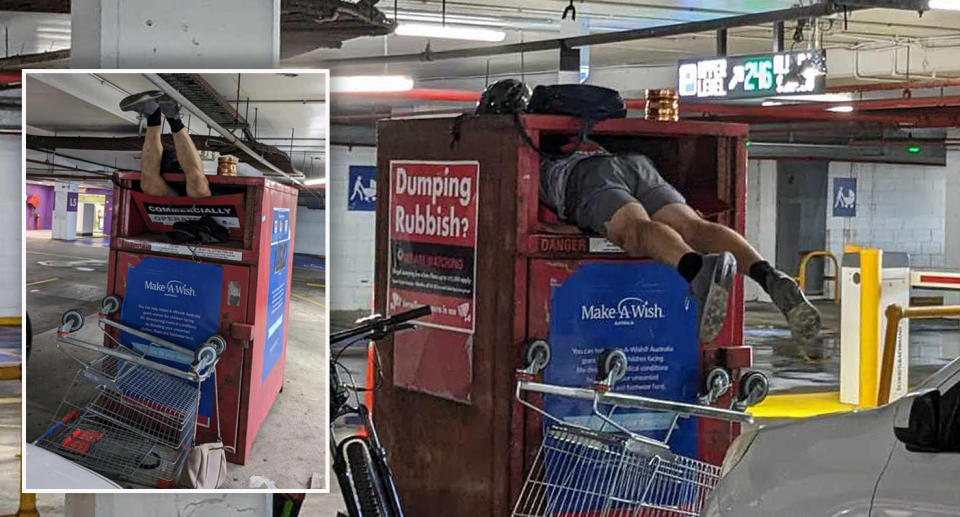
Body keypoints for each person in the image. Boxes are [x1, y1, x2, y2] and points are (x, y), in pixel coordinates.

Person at [477, 79, 821, 344]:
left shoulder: (513, 143)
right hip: (631, 164)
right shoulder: (560, 126)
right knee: (691, 224)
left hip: (585, 178)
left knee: (637, 230)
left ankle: (697, 270)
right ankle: (769, 275)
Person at [119, 90, 211, 198]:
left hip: (171, 208)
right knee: (198, 187)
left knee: (148, 185)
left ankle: (152, 113)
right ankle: (173, 117)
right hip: (202, 209)